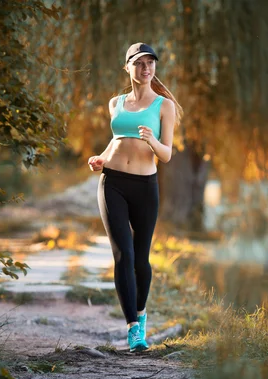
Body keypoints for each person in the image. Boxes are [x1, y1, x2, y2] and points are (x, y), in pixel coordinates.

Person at [87, 43, 183, 352]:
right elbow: (116, 140)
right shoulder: (115, 103)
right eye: (139, 63)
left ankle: (141, 315)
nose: (146, 68)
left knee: (141, 259)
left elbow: (166, 155)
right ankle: (133, 329)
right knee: (123, 256)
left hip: (145, 186)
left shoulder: (164, 106)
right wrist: (100, 158)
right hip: (111, 182)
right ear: (127, 67)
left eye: (150, 63)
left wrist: (153, 140)